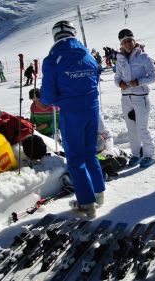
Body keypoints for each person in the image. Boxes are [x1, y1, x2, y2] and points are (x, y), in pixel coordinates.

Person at [40, 20, 105, 218]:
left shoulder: (52, 59)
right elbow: (96, 76)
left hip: (71, 113)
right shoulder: (88, 55)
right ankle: (98, 192)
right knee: (90, 152)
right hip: (92, 109)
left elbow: (48, 96)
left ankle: (86, 204)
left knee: (75, 158)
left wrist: (62, 97)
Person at [114, 28, 155, 168]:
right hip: (126, 98)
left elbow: (154, 76)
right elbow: (116, 77)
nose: (127, 44)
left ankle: (150, 155)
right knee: (131, 129)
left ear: (134, 40)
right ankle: (136, 154)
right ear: (121, 44)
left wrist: (138, 82)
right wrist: (119, 83)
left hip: (140, 97)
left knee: (142, 128)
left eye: (129, 41)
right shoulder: (120, 59)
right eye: (124, 42)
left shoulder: (144, 57)